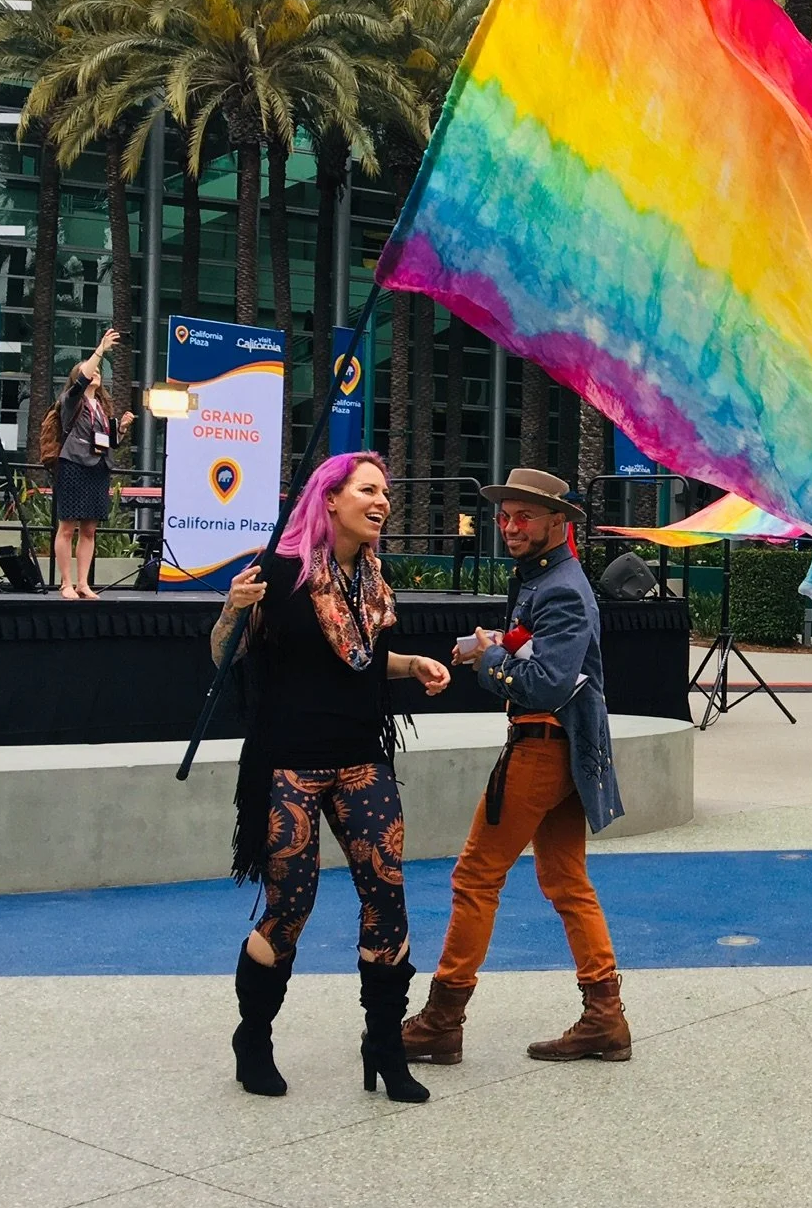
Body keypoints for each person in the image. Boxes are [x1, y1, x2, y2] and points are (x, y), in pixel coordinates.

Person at [212, 451, 452, 1103]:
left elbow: (363, 662)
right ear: (332, 498)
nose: (382, 501)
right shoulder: (281, 574)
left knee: (388, 898)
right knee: (290, 907)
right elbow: (221, 653)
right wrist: (233, 608)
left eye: (385, 492)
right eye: (369, 490)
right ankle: (253, 1038)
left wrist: (413, 667)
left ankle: (384, 1047)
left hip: (360, 758)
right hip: (288, 762)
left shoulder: (372, 580)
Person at [403, 467, 633, 1068]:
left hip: (541, 749)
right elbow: (537, 653)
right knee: (566, 883)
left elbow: (546, 682)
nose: (509, 525)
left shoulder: (559, 586)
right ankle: (605, 1017)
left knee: (475, 877)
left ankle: (442, 1021)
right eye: (504, 515)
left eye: (523, 515)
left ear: (560, 522)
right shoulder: (547, 579)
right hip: (565, 750)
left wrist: (490, 656)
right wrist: (498, 644)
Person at [49, 328, 134, 601]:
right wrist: (101, 349)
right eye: (90, 372)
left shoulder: (101, 407)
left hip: (98, 466)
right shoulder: (71, 401)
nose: (96, 374)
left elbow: (109, 441)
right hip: (74, 464)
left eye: (99, 372)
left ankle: (83, 583)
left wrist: (119, 429)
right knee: (67, 526)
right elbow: (84, 376)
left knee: (89, 529)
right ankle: (66, 583)